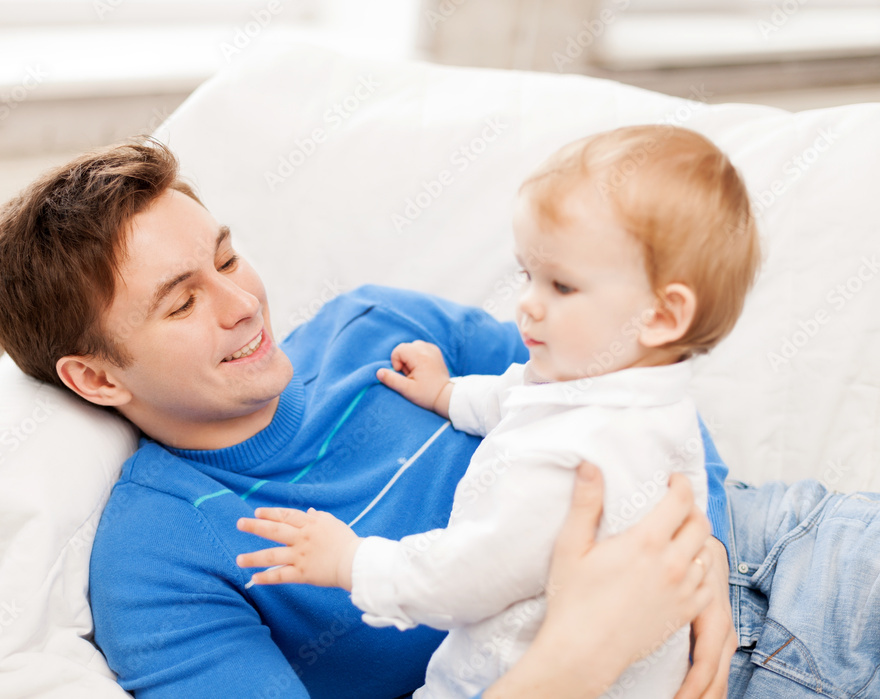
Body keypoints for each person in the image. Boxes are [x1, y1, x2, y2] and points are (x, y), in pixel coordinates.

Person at [0, 136, 876, 699]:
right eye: (181, 303)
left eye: (229, 257)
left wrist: (704, 555)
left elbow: (629, 381)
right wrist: (578, 658)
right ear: (94, 378)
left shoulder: (383, 326)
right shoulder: (156, 558)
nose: (243, 304)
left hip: (784, 542)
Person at [234, 125, 759, 698]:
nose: (527, 305)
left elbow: (468, 576)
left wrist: (352, 562)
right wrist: (445, 393)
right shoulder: (632, 389)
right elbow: (521, 394)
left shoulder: (569, 462)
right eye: (528, 275)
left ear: (661, 315)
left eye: (561, 285)